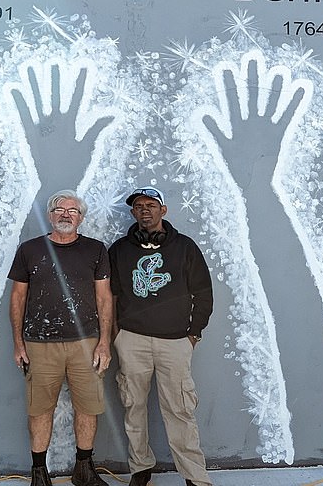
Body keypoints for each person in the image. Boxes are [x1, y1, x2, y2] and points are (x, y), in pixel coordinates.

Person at [109, 186, 214, 486]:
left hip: (175, 342)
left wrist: (194, 333)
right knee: (133, 405)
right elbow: (110, 295)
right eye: (139, 205)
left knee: (180, 409)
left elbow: (203, 292)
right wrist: (117, 335)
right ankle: (140, 468)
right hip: (132, 340)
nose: (145, 209)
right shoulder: (118, 250)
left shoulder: (185, 247)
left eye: (151, 205)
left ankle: (195, 477)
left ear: (163, 210)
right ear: (132, 213)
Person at [8, 190, 113, 486]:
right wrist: (18, 343)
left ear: (81, 217)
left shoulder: (95, 250)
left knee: (88, 407)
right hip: (39, 345)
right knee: (40, 409)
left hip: (87, 344)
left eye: (72, 210)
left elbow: (104, 298)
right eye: (59, 209)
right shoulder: (30, 250)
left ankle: (84, 469)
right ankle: (39, 474)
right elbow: (17, 297)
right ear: (50, 215)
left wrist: (104, 342)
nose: (66, 214)